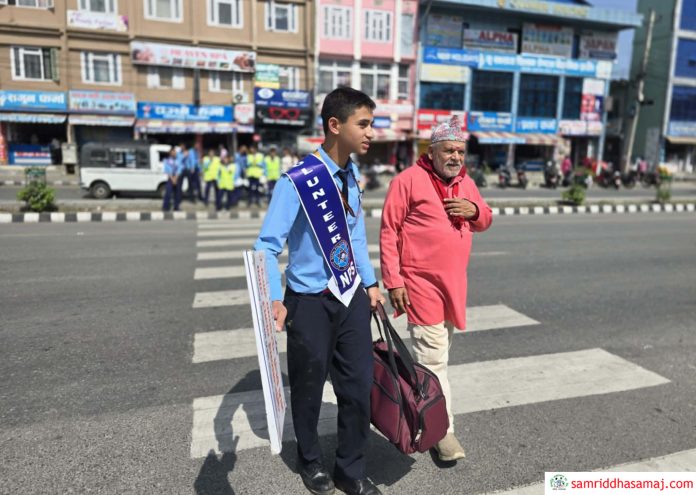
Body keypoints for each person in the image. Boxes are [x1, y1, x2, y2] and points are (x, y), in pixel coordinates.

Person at [253, 87, 385, 495]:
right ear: (335, 125)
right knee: (309, 389)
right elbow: (267, 245)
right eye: (363, 124)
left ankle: (350, 469)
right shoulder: (298, 181)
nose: (371, 133)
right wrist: (274, 298)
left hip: (351, 296)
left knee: (358, 387)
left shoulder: (351, 177)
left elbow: (355, 237)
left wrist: (370, 282)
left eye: (371, 124)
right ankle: (309, 460)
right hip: (308, 301)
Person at [379, 115, 493, 463]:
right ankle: (442, 431)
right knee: (433, 359)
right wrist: (394, 281)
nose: (456, 157)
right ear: (432, 152)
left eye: (460, 151)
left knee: (436, 354)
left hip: (453, 286)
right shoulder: (407, 181)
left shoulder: (466, 183)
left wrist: (474, 210)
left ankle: (422, 411)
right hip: (421, 285)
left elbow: (486, 219)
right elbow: (389, 231)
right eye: (449, 151)